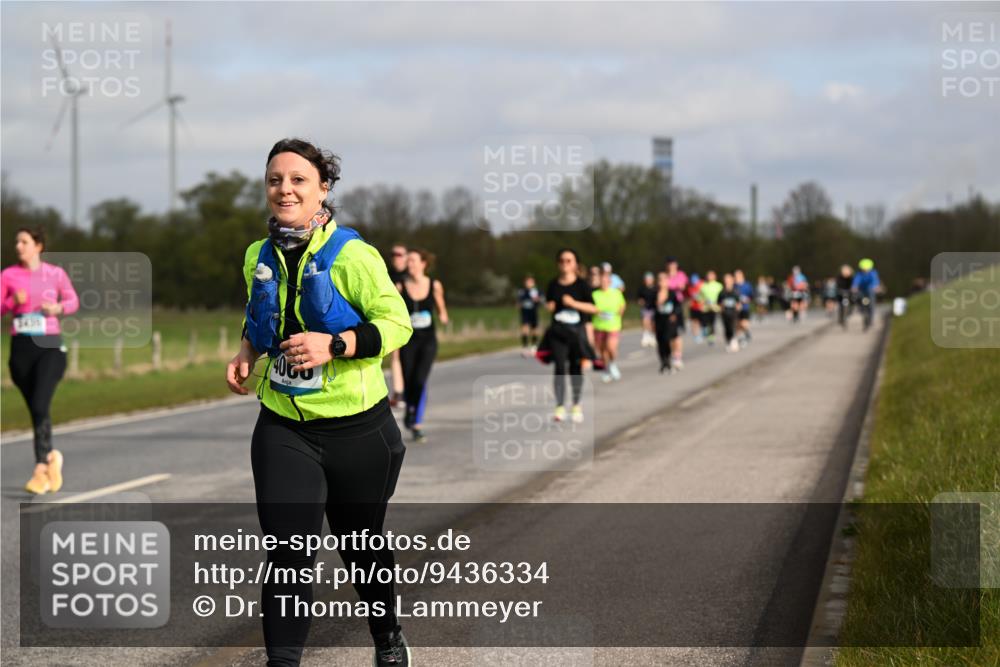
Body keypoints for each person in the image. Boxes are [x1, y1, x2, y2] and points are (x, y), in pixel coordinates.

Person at [225, 138, 414, 667]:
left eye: (298, 179)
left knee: (361, 549)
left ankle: (388, 638)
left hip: (358, 431)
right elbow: (262, 313)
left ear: (322, 188)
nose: (284, 189)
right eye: (274, 179)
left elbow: (397, 324)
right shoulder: (256, 255)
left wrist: (334, 345)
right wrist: (245, 350)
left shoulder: (353, 256)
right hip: (285, 426)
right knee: (288, 555)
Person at [2, 227, 79, 494]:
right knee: (38, 410)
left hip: (49, 348)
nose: (18, 246)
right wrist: (12, 301)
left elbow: (73, 301)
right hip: (21, 348)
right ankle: (51, 459)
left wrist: (57, 308)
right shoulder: (8, 275)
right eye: (17, 241)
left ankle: (39, 468)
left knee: (39, 403)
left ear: (38, 246)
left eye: (24, 241)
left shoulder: (55, 274)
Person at [536, 249, 597, 423]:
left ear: (575, 264)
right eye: (562, 261)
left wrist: (574, 303)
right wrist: (550, 306)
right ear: (558, 264)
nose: (565, 264)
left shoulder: (581, 285)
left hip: (576, 332)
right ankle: (560, 406)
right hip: (557, 331)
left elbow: (594, 309)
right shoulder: (553, 284)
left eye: (569, 261)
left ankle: (576, 404)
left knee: (576, 369)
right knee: (560, 368)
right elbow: (550, 305)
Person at [397, 248, 449, 442]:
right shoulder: (400, 286)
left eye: (413, 261)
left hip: (428, 341)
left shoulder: (434, 285)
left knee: (420, 380)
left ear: (423, 263)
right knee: (409, 379)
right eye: (408, 261)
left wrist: (443, 316)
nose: (409, 264)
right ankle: (410, 409)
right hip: (407, 340)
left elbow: (441, 307)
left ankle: (415, 420)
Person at [592, 268, 626, 382]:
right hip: (599, 325)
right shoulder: (595, 294)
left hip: (613, 324)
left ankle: (612, 364)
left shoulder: (616, 293)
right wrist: (597, 312)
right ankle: (606, 369)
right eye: (602, 281)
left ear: (610, 282)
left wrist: (620, 312)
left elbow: (622, 305)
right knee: (602, 350)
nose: (604, 283)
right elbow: (591, 308)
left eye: (606, 281)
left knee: (611, 348)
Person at [386, 244, 409, 407]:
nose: (396, 257)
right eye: (394, 254)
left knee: (410, 359)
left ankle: (409, 391)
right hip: (396, 321)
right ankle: (398, 392)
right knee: (395, 356)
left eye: (400, 254)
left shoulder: (411, 275)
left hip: (414, 322)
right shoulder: (387, 274)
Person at [653, 271, 681, 374]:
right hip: (659, 320)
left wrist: (674, 314)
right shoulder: (655, 293)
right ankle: (663, 361)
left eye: (664, 280)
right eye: (660, 280)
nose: (662, 282)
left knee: (668, 339)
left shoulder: (672, 293)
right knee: (660, 341)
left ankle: (669, 359)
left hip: (669, 321)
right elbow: (650, 307)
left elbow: (678, 306)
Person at [665, 258, 689, 368]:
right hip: (666, 305)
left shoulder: (681, 275)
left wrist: (671, 287)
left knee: (677, 333)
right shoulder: (665, 276)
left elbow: (682, 286)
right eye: (670, 264)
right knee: (669, 333)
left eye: (673, 264)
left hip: (677, 304)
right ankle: (673, 354)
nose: (671, 266)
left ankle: (678, 356)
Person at [852, 258, 881, 331]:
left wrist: (875, 287)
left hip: (870, 289)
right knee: (858, 298)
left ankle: (871, 319)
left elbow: (875, 280)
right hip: (862, 290)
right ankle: (860, 308)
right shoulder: (859, 274)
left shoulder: (873, 273)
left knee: (871, 304)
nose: (865, 270)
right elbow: (856, 280)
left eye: (866, 268)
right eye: (863, 268)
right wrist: (854, 286)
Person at [517, 274, 542, 356]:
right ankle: (525, 346)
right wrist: (519, 304)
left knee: (534, 329)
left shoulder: (536, 291)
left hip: (533, 312)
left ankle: (534, 346)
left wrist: (537, 300)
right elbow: (519, 302)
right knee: (525, 329)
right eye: (527, 282)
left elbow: (540, 300)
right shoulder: (522, 291)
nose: (529, 284)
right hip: (525, 312)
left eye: (530, 282)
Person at [698, 270, 723, 345]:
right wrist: (702, 302)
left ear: (715, 276)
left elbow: (722, 296)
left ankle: (711, 338)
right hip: (705, 308)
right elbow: (700, 297)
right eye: (708, 275)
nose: (710, 277)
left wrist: (720, 305)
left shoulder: (719, 286)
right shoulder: (703, 286)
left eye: (711, 275)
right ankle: (706, 332)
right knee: (705, 323)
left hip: (715, 308)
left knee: (712, 323)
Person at [718, 273, 741, 352]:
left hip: (733, 313)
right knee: (727, 328)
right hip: (725, 313)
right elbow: (719, 303)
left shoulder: (735, 292)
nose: (727, 281)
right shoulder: (722, 292)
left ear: (732, 280)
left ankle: (734, 341)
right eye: (725, 280)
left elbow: (738, 303)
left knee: (733, 327)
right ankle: (728, 342)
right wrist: (721, 310)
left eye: (728, 279)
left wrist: (737, 310)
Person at [636, 271, 657, 348]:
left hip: (654, 308)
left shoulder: (656, 288)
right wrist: (640, 302)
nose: (648, 281)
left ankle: (653, 337)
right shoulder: (642, 289)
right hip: (646, 308)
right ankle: (646, 336)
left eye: (649, 279)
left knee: (653, 324)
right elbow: (639, 299)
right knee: (645, 320)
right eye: (646, 279)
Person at [733, 269, 754, 346]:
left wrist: (747, 300)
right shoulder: (733, 286)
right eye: (735, 276)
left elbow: (752, 296)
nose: (737, 277)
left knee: (743, 323)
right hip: (735, 308)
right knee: (737, 325)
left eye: (738, 275)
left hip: (745, 307)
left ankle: (746, 334)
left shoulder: (747, 285)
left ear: (742, 275)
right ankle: (740, 338)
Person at [836, 264, 854, 328]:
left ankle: (848, 313)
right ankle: (841, 318)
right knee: (841, 305)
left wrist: (853, 290)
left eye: (847, 271)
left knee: (852, 302)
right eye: (844, 271)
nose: (845, 272)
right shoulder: (839, 277)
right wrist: (839, 290)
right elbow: (837, 285)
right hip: (841, 294)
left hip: (849, 294)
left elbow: (853, 286)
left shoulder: (851, 278)